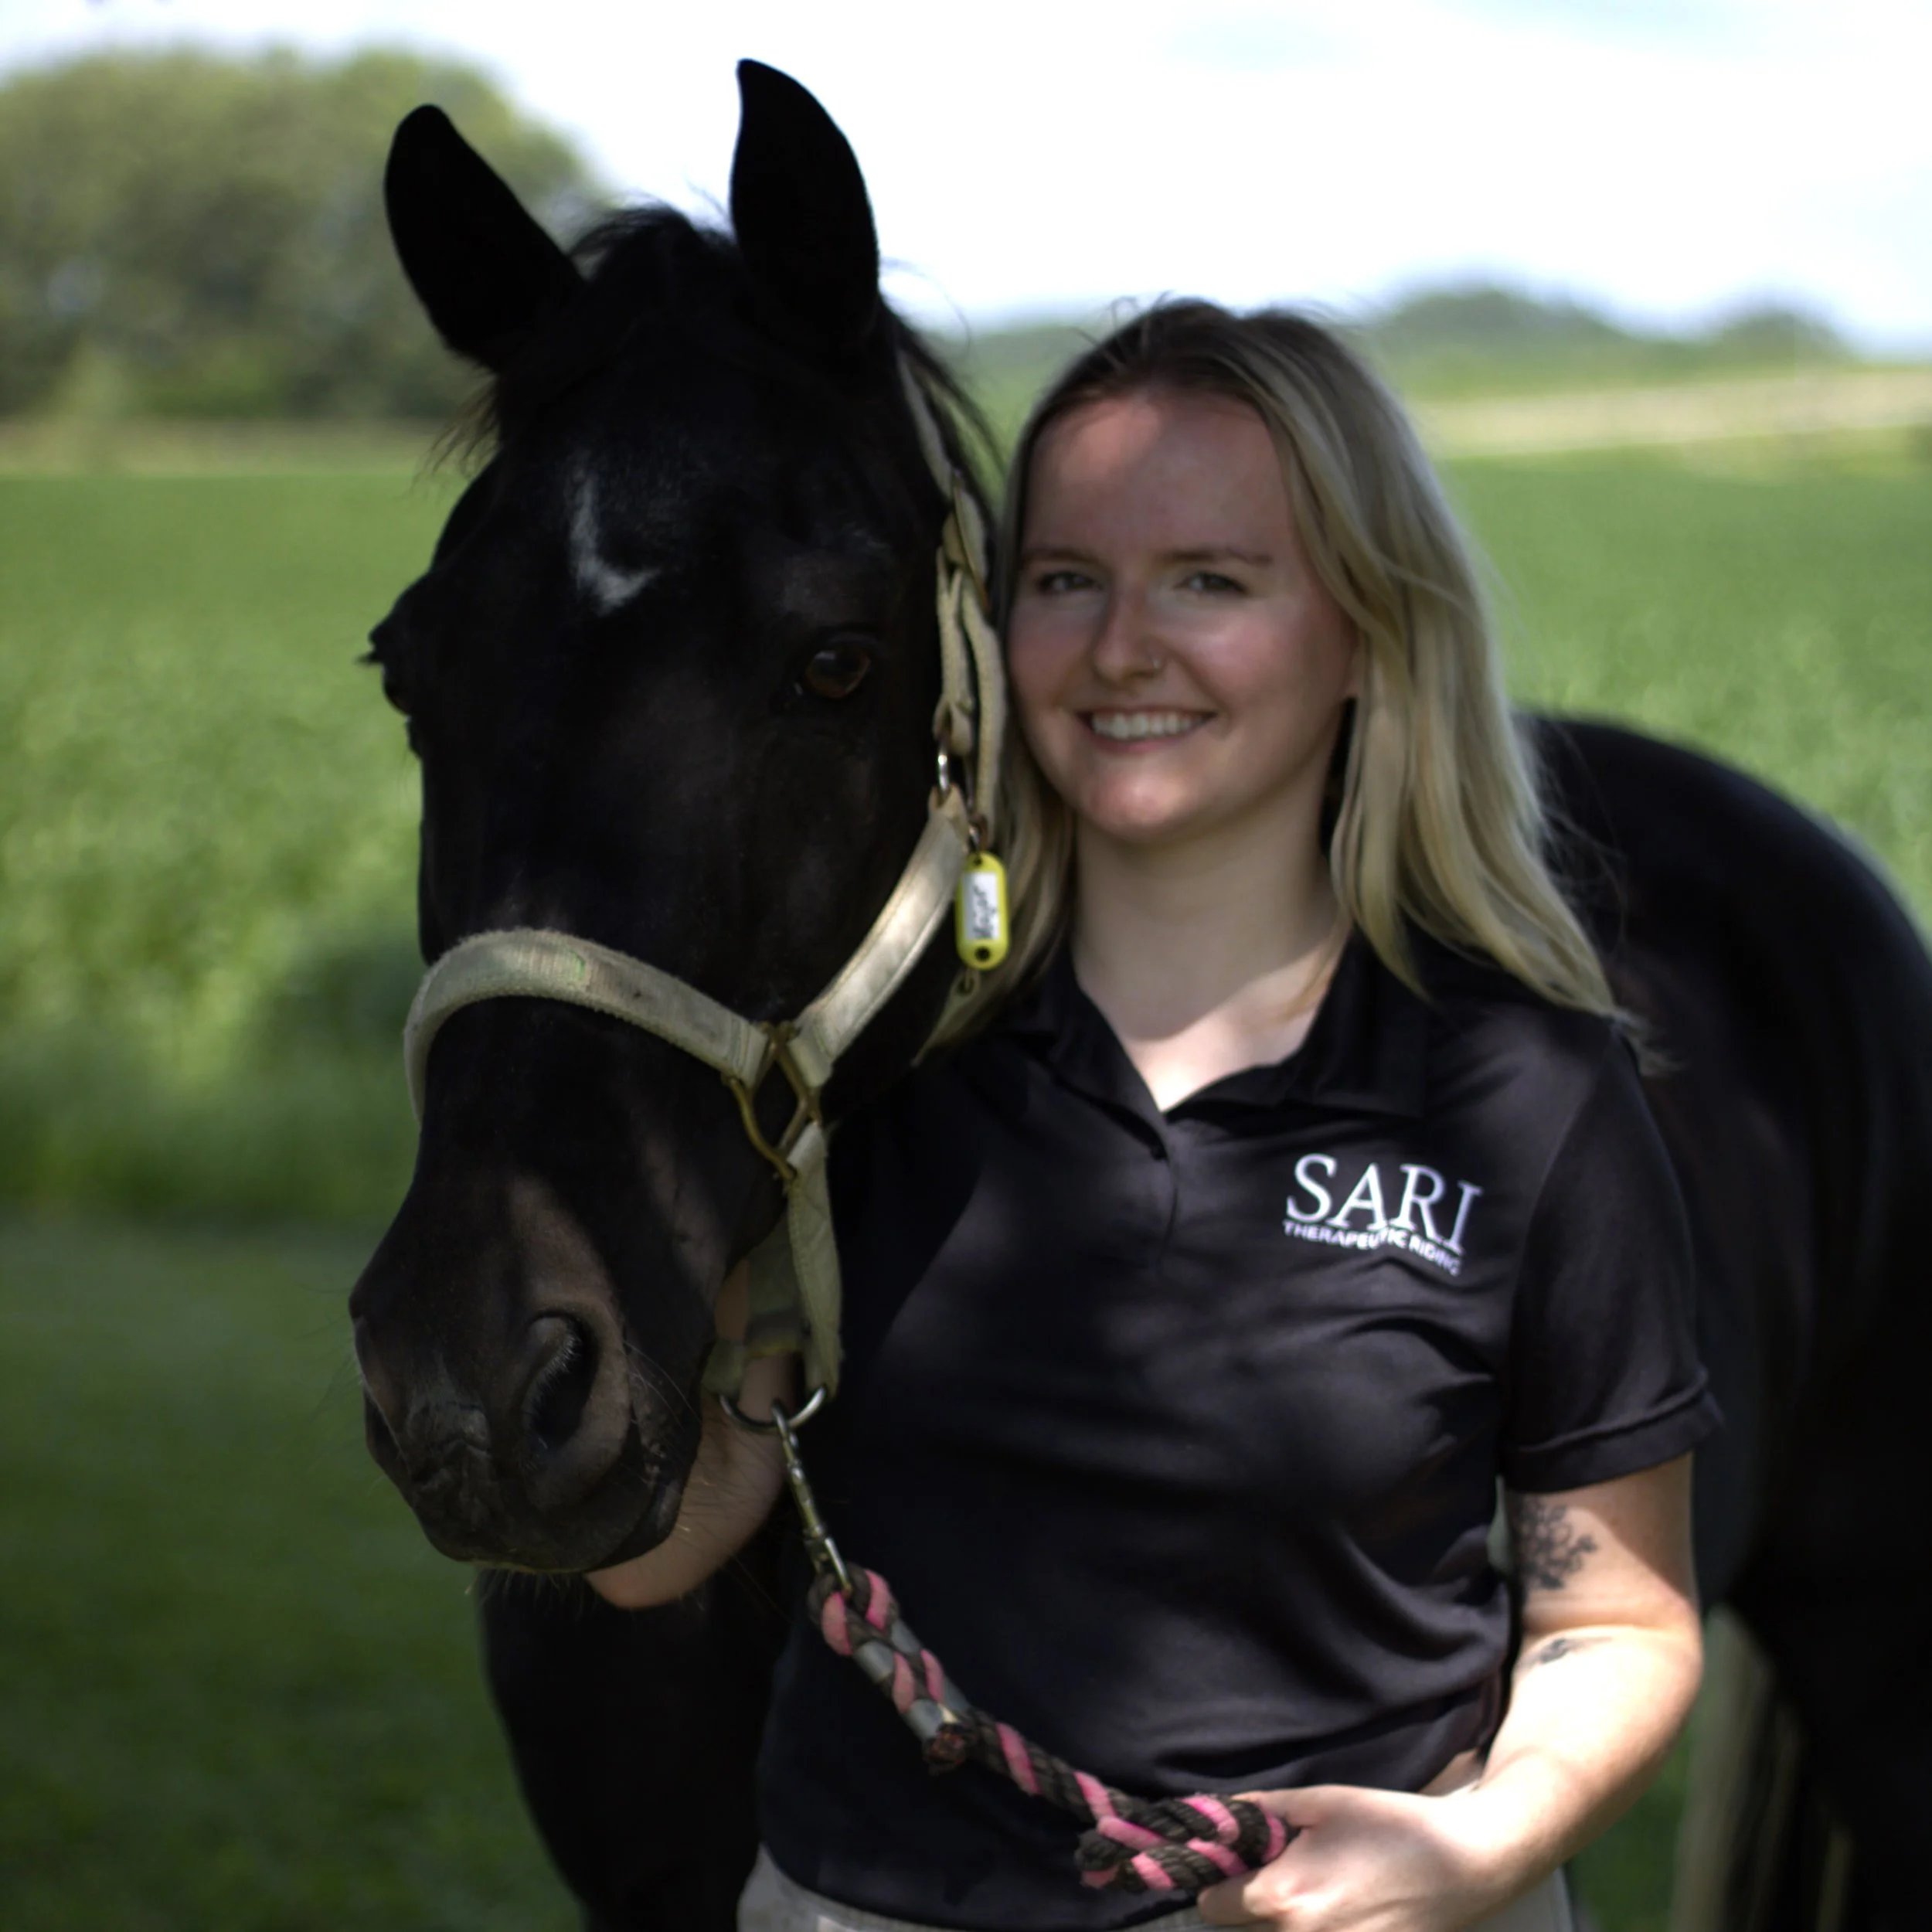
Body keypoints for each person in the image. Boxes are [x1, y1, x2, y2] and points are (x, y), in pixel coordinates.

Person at [589, 301, 1718, 1932]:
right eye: (1065, 579)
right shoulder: (873, 1068)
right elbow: (662, 1537)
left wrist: (1472, 1847)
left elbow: (1613, 1620)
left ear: (1365, 631)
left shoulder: (1523, 1092)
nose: (1124, 644)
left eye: (1210, 577)